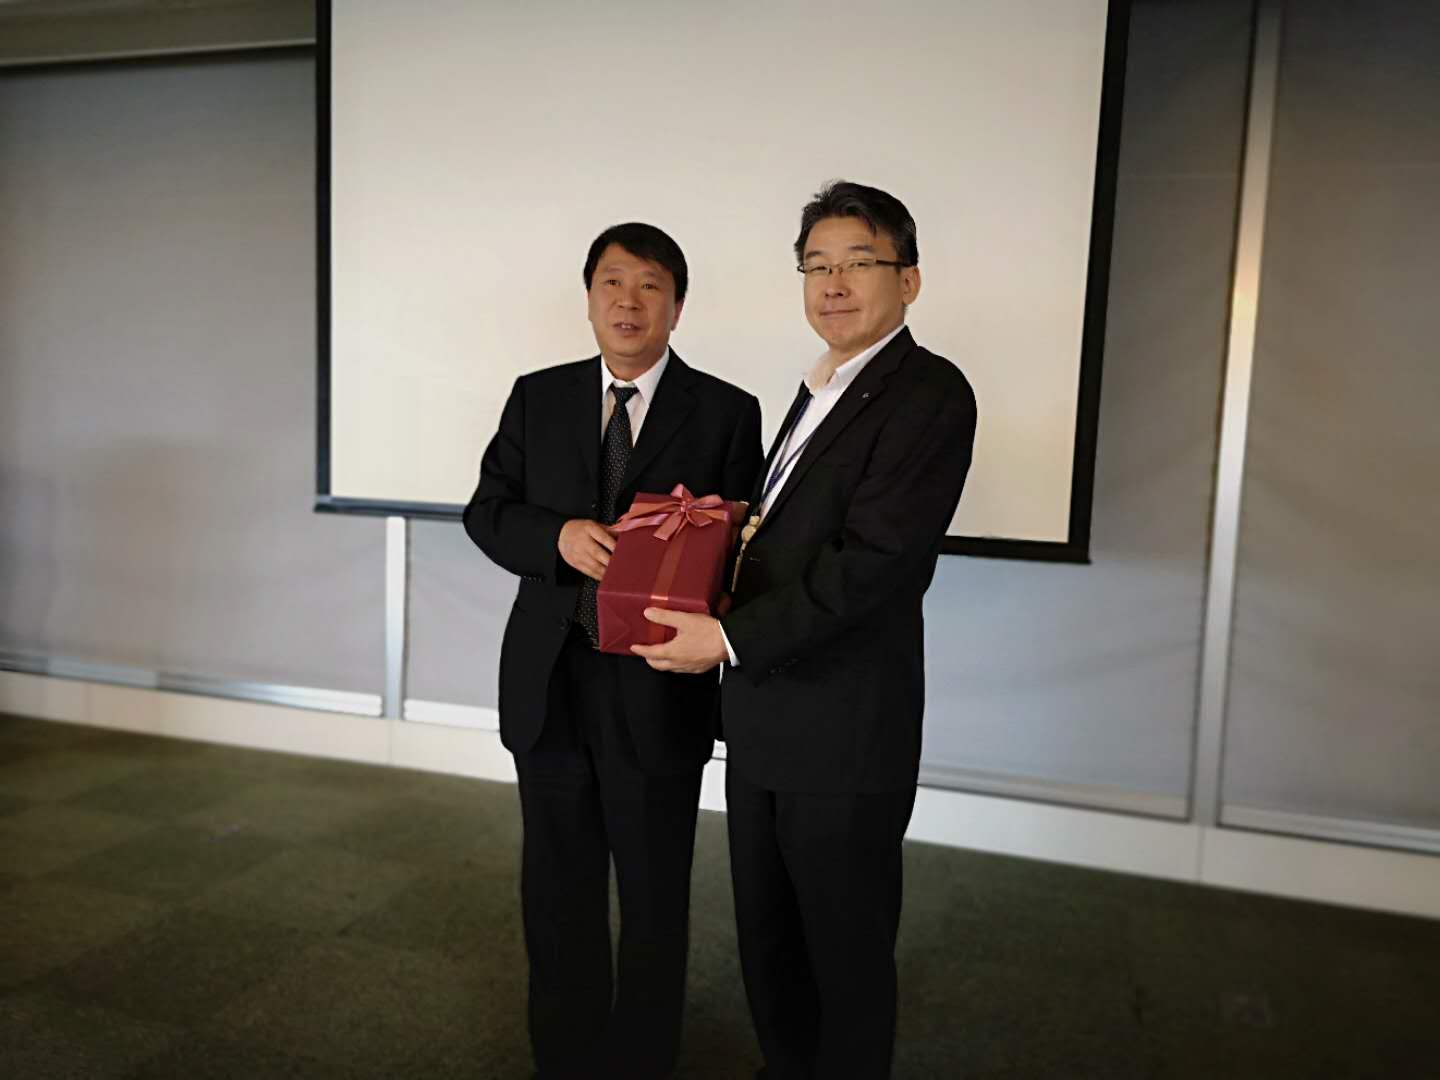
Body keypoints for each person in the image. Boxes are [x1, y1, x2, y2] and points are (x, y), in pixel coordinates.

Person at [634, 181, 978, 1079]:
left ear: (908, 279)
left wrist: (728, 640)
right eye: (816, 266)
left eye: (858, 262)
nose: (833, 284)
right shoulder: (821, 385)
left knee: (843, 953)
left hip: (844, 730)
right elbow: (776, 540)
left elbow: (873, 562)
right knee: (771, 942)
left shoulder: (928, 392)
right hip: (766, 721)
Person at [463, 221, 763, 1079]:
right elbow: (487, 512)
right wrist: (555, 537)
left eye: (650, 286)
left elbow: (747, 550)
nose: (629, 302)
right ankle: (564, 1056)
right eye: (612, 284)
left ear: (678, 305)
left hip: (658, 684)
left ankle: (641, 1060)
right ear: (590, 297)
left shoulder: (727, 411)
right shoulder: (538, 396)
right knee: (556, 890)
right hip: (550, 680)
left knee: (654, 894)